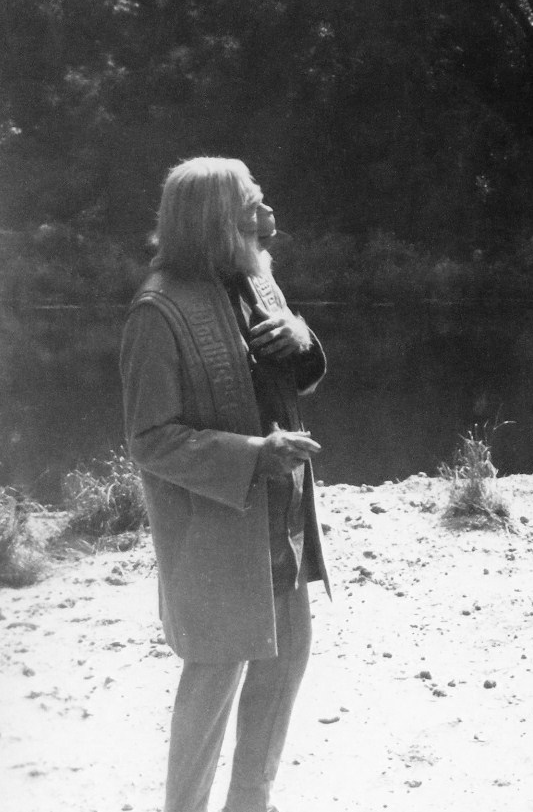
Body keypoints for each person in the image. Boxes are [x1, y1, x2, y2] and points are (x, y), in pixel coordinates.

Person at [120, 157, 329, 812]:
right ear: (214, 220)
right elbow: (150, 439)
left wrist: (300, 335)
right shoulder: (156, 310)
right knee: (214, 677)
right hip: (214, 533)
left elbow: (297, 374)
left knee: (285, 660)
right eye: (252, 207)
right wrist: (252, 455)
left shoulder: (254, 276)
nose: (268, 218)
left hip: (283, 518)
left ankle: (251, 802)